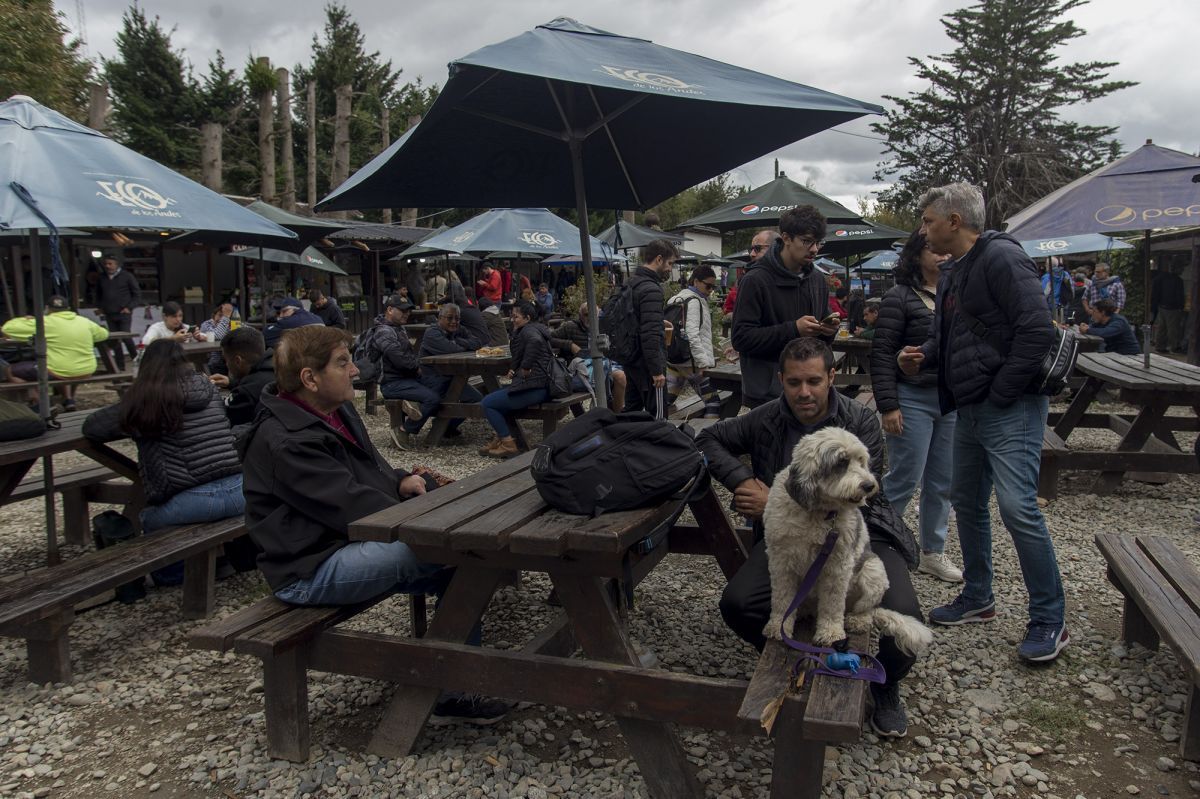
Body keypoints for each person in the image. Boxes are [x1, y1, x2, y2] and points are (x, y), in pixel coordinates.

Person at [238, 325, 508, 725]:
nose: (356, 372)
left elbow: (367, 470)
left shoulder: (334, 410)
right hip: (308, 567)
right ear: (310, 379)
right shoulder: (285, 440)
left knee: (464, 554)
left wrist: (399, 477)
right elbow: (353, 506)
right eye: (343, 363)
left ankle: (452, 677)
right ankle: (450, 690)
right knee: (459, 552)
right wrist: (431, 520)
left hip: (342, 540)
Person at [697, 337, 923, 737]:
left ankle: (885, 686)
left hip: (861, 533)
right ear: (781, 379)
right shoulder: (763, 417)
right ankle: (793, 659)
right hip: (789, 537)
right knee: (737, 604)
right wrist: (743, 480)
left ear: (831, 377)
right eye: (795, 382)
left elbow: (862, 491)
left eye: (814, 381)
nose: (805, 392)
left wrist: (776, 496)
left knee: (904, 608)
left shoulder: (860, 420)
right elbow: (708, 439)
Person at [898, 182, 1067, 663]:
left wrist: (1000, 393)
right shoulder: (953, 272)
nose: (923, 229)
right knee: (967, 503)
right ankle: (978, 597)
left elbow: (1036, 330)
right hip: (969, 407)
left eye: (929, 220)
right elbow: (948, 336)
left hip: (1006, 406)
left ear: (955, 220)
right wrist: (922, 356)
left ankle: (1049, 619)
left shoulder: (1001, 258)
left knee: (1018, 510)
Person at [82, 339, 245, 585]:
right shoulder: (207, 387)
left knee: (147, 517)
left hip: (193, 501)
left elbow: (93, 427)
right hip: (240, 491)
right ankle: (217, 560)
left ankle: (172, 575)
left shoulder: (147, 398)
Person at [870, 231, 962, 584]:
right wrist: (889, 405)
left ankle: (932, 553)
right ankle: (882, 545)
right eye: (930, 248)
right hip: (912, 398)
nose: (940, 253)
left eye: (943, 247)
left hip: (950, 401)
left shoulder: (957, 295)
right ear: (915, 255)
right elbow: (881, 354)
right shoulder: (899, 297)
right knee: (904, 478)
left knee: (943, 482)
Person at [731, 208, 839, 408]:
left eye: (819, 243)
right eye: (807, 241)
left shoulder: (817, 280)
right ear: (786, 238)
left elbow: (821, 336)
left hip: (810, 394)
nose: (814, 249)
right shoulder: (755, 280)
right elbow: (741, 338)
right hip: (766, 397)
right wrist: (793, 329)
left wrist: (829, 331)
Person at [2, 295, 109, 410]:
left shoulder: (44, 322)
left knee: (10, 370)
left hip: (59, 371)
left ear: (47, 308)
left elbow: (7, 329)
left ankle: (41, 404)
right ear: (68, 309)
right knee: (62, 367)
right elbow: (104, 334)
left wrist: (24, 319)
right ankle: (68, 400)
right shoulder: (84, 321)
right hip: (86, 370)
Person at [478, 301, 556, 458]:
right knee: (499, 398)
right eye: (511, 316)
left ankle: (508, 444)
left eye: (516, 317)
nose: (512, 319)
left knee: (487, 403)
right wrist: (514, 369)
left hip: (535, 388)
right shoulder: (536, 328)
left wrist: (526, 367)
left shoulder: (528, 331)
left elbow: (535, 342)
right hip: (543, 386)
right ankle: (500, 438)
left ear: (527, 318)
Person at [410, 303, 484, 444]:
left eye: (457, 318)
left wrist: (458, 341)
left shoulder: (457, 330)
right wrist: (460, 345)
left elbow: (477, 342)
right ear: (440, 318)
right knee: (446, 400)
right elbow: (451, 349)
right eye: (449, 318)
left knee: (476, 399)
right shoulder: (432, 332)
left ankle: (446, 426)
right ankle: (436, 428)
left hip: (450, 379)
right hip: (429, 379)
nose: (454, 322)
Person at [370, 295, 437, 450]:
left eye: (408, 310)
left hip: (406, 380)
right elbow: (398, 358)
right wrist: (416, 367)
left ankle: (445, 427)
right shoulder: (384, 331)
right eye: (402, 310)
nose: (407, 313)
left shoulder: (397, 327)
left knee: (442, 385)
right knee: (432, 399)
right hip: (392, 383)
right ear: (389, 310)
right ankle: (403, 431)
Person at [622, 239, 676, 417]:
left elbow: (635, 320)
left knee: (632, 414)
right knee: (659, 419)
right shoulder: (651, 289)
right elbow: (650, 333)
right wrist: (657, 371)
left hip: (631, 360)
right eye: (670, 263)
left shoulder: (631, 283)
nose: (670, 269)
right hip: (648, 365)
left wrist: (659, 321)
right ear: (659, 259)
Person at [665, 265, 721, 418]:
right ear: (696, 282)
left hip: (674, 361)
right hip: (692, 364)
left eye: (713, 287)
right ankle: (707, 437)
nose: (711, 290)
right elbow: (692, 335)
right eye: (708, 286)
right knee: (713, 403)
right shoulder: (695, 301)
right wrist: (703, 363)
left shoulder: (675, 298)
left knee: (666, 401)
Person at [550, 303, 626, 410]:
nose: (590, 318)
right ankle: (610, 414)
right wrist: (569, 345)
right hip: (581, 371)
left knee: (623, 376)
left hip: (603, 364)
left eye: (594, 315)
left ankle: (616, 415)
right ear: (580, 315)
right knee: (616, 377)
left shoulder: (603, 326)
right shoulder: (570, 326)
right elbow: (548, 338)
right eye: (586, 315)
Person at [211, 326, 273, 430]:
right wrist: (231, 382)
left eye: (226, 360)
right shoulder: (278, 366)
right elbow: (256, 382)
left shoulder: (245, 393)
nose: (226, 364)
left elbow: (221, 418)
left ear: (238, 361)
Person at [95, 252, 140, 369]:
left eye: (110, 264)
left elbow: (137, 294)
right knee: (115, 340)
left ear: (116, 264)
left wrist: (129, 307)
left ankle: (137, 360)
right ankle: (120, 366)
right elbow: (98, 294)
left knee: (126, 337)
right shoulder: (102, 277)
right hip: (109, 313)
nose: (107, 266)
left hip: (123, 312)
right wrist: (100, 307)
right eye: (106, 264)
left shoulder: (127, 276)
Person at [1151, 264, 1186, 353]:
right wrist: (1181, 306)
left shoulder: (1161, 278)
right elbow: (1179, 295)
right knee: (1173, 329)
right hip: (1173, 308)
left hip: (1161, 306)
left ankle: (1159, 346)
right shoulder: (1178, 280)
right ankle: (1174, 347)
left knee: (1161, 328)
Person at [142, 301, 206, 346]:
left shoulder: (184, 327)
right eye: (174, 316)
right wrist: (172, 339)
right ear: (164, 317)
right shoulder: (156, 327)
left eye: (180, 316)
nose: (178, 319)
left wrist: (199, 337)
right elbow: (145, 342)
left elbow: (207, 337)